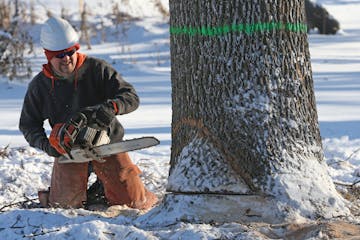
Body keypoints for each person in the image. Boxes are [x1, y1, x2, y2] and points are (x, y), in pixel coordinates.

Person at [19, 16, 158, 209]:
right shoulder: (40, 85)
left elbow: (131, 96)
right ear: (48, 56)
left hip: (107, 144)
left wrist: (111, 108)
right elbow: (28, 124)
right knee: (64, 205)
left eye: (70, 52)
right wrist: (46, 145)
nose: (66, 58)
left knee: (133, 202)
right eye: (59, 55)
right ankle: (56, 196)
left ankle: (119, 189)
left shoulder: (97, 69)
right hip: (69, 150)